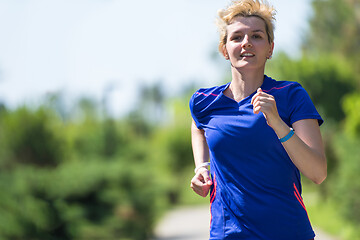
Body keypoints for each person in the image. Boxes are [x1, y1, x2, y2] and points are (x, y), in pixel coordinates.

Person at [189, 0, 327, 239]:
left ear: (270, 48)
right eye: (236, 37)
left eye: (256, 36)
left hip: (287, 232)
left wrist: (277, 122)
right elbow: (198, 126)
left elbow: (318, 172)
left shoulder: (291, 95)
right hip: (227, 233)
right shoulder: (204, 101)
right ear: (224, 50)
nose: (246, 43)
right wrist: (202, 166)